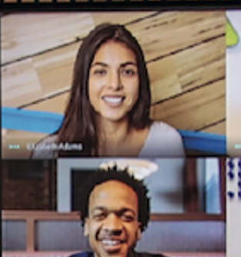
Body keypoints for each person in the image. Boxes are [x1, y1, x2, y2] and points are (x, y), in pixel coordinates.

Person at [33, 170, 205, 257]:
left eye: (126, 217)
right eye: (100, 215)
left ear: (139, 229)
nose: (113, 227)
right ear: (86, 226)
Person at [42, 21, 189, 159]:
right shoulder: (49, 151)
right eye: (101, 72)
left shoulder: (166, 141)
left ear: (141, 80)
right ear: (84, 80)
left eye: (127, 72)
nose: (114, 84)